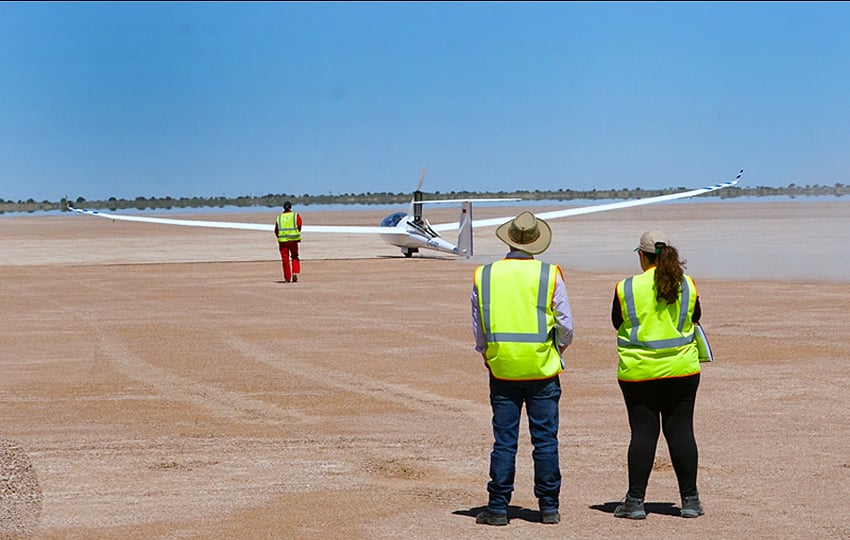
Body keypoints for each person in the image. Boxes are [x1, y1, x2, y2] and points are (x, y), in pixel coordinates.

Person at [470, 211, 574, 526]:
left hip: (503, 369)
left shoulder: (485, 274)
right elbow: (566, 324)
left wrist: (486, 353)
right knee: (545, 440)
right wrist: (559, 347)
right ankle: (549, 506)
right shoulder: (549, 274)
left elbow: (479, 325)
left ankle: (498, 507)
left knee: (504, 440)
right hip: (542, 369)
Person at [611, 229, 705, 520]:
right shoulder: (687, 283)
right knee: (681, 432)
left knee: (643, 433)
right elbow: (696, 316)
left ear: (642, 255)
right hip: (682, 369)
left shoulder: (626, 287)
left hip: (640, 371)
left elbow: (618, 322)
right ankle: (690, 500)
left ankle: (635, 501)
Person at [274, 201, 302, 283]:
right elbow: (299, 225)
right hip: (293, 240)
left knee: (285, 260)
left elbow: (276, 230)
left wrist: (280, 236)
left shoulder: (279, 217)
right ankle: (295, 272)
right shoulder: (295, 216)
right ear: (290, 207)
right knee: (294, 256)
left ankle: (287, 278)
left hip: (283, 242)